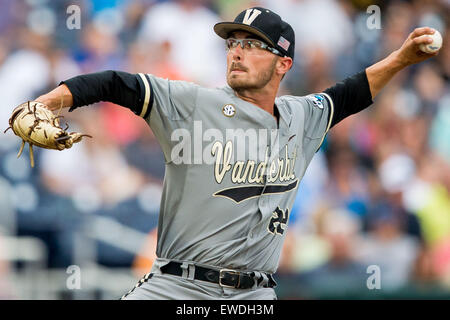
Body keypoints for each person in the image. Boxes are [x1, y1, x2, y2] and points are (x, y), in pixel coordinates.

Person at [32, 7, 440, 300]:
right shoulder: (193, 103)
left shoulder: (303, 116)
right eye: (233, 43)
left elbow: (351, 93)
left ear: (283, 63)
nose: (237, 52)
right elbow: (117, 83)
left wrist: (403, 58)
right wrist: (53, 99)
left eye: (251, 44)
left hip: (255, 296)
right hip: (178, 288)